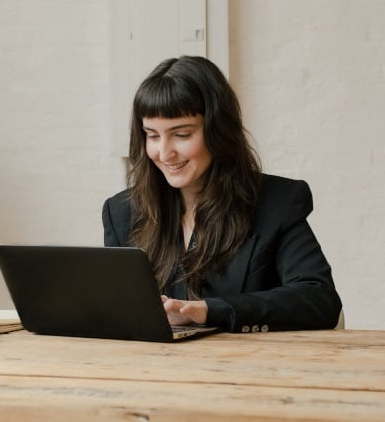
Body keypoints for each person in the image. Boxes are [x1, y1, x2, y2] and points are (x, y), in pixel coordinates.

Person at [102, 56, 342, 333]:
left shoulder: (278, 203)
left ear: (218, 131)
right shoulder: (121, 211)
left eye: (181, 134)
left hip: (249, 369)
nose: (165, 153)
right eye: (153, 136)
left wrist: (210, 311)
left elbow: (318, 299)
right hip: (152, 369)